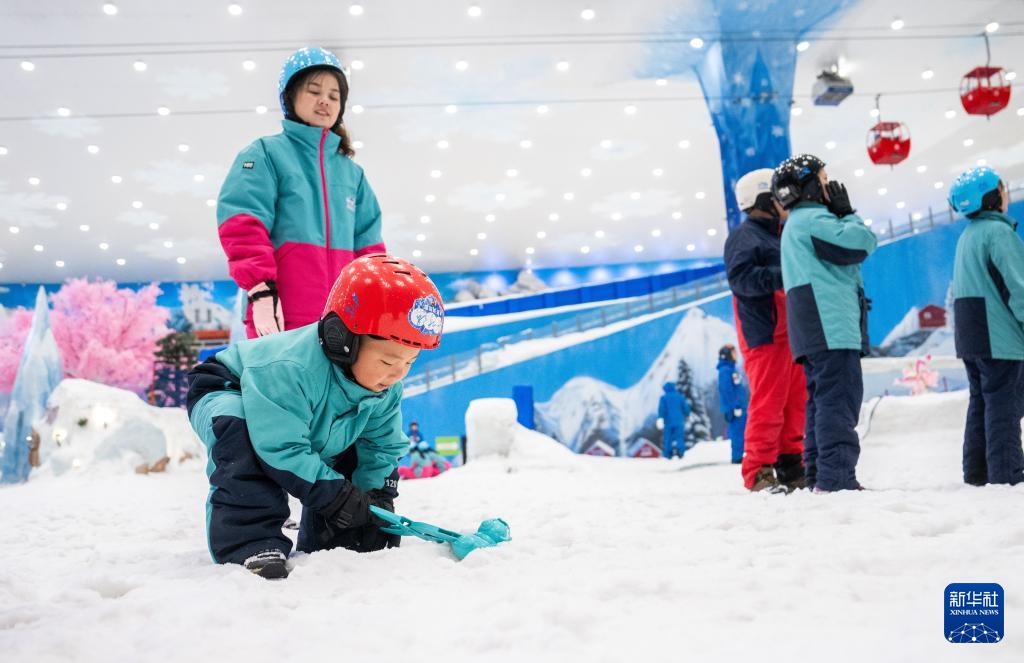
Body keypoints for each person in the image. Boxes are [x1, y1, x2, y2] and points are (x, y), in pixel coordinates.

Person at [185, 254, 444, 579]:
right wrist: (336, 496)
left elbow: (381, 447)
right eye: (388, 361)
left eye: (409, 362)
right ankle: (250, 543)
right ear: (343, 339)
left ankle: (338, 537)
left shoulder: (385, 387)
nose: (397, 374)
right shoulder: (291, 369)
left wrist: (374, 502)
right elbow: (281, 448)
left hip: (302, 411)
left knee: (353, 449)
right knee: (243, 439)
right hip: (230, 387)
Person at [217, 46, 385, 339]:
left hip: (343, 317)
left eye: (334, 96)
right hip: (281, 311)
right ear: (290, 96)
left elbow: (369, 250)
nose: (325, 101)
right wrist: (261, 291)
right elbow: (243, 224)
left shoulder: (353, 175)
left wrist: (373, 302)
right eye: (314, 90)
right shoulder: (265, 154)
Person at [774, 154, 877, 492]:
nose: (829, 184)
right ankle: (837, 479)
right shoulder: (813, 220)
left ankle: (820, 474)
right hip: (830, 325)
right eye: (823, 177)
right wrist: (847, 213)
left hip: (815, 328)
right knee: (839, 401)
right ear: (809, 186)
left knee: (821, 401)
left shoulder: (795, 224)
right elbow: (861, 243)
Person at [724, 168, 807, 492]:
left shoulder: (779, 233)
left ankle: (790, 465)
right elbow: (740, 279)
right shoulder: (744, 237)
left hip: (791, 332)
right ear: (763, 199)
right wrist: (783, 274)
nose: (786, 201)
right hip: (765, 333)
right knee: (769, 404)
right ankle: (759, 470)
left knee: (794, 402)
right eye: (779, 194)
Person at [949, 166, 1024, 486]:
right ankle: (1006, 474)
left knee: (982, 401)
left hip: (973, 335)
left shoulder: (969, 235)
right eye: (1002, 188)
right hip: (998, 336)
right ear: (991, 197)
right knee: (1003, 404)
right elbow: (1018, 286)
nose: (1006, 193)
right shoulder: (999, 233)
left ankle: (978, 472)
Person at [716, 345, 749, 465]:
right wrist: (734, 406)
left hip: (740, 406)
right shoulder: (725, 370)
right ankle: (737, 457)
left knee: (742, 431)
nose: (736, 355)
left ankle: (740, 454)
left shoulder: (731, 369)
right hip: (735, 408)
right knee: (737, 432)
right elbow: (726, 390)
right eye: (733, 353)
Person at [657, 382, 691, 458]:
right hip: (679, 421)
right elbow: (686, 408)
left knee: (668, 438)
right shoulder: (680, 397)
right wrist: (687, 415)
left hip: (668, 421)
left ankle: (667, 454)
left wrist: (660, 418)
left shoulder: (664, 398)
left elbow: (662, 409)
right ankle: (681, 452)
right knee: (679, 437)